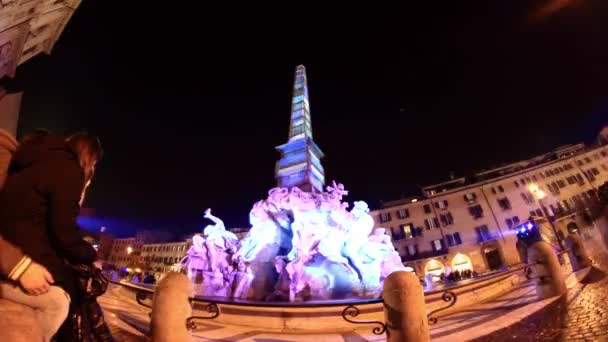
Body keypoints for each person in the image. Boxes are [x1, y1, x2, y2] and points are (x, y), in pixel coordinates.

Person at [0, 131, 103, 341]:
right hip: (18, 251)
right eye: (94, 164)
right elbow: (64, 233)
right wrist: (92, 256)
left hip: (14, 240)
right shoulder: (68, 169)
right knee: (70, 293)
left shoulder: (36, 158)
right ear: (89, 158)